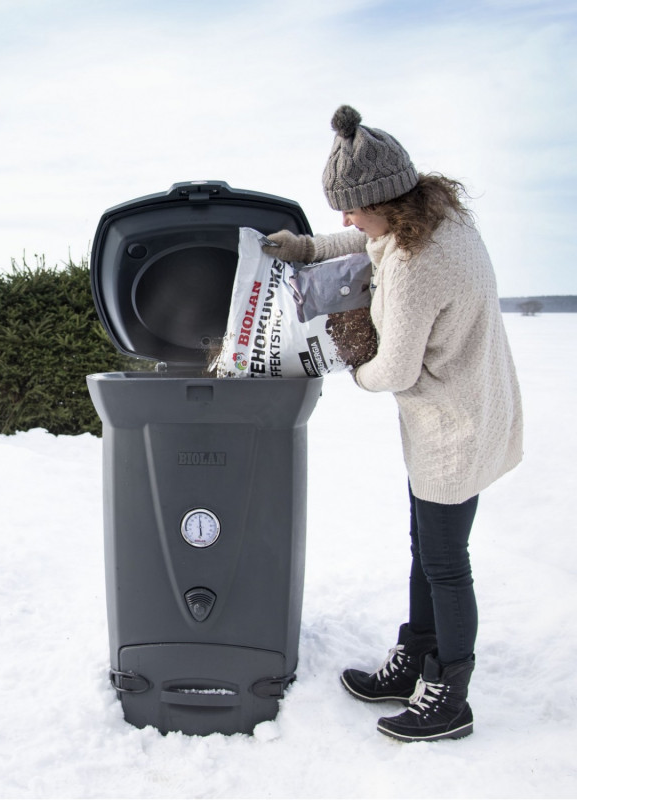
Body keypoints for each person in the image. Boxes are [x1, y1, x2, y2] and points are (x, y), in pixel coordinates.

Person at [263, 105, 523, 742]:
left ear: (384, 200)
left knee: (444, 562)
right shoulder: (440, 217)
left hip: (450, 429)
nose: (343, 221)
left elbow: (395, 370)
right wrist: (306, 250)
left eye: (350, 207)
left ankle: (449, 695)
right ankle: (417, 659)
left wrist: (349, 363)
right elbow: (367, 238)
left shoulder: (411, 267)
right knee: (429, 551)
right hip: (480, 402)